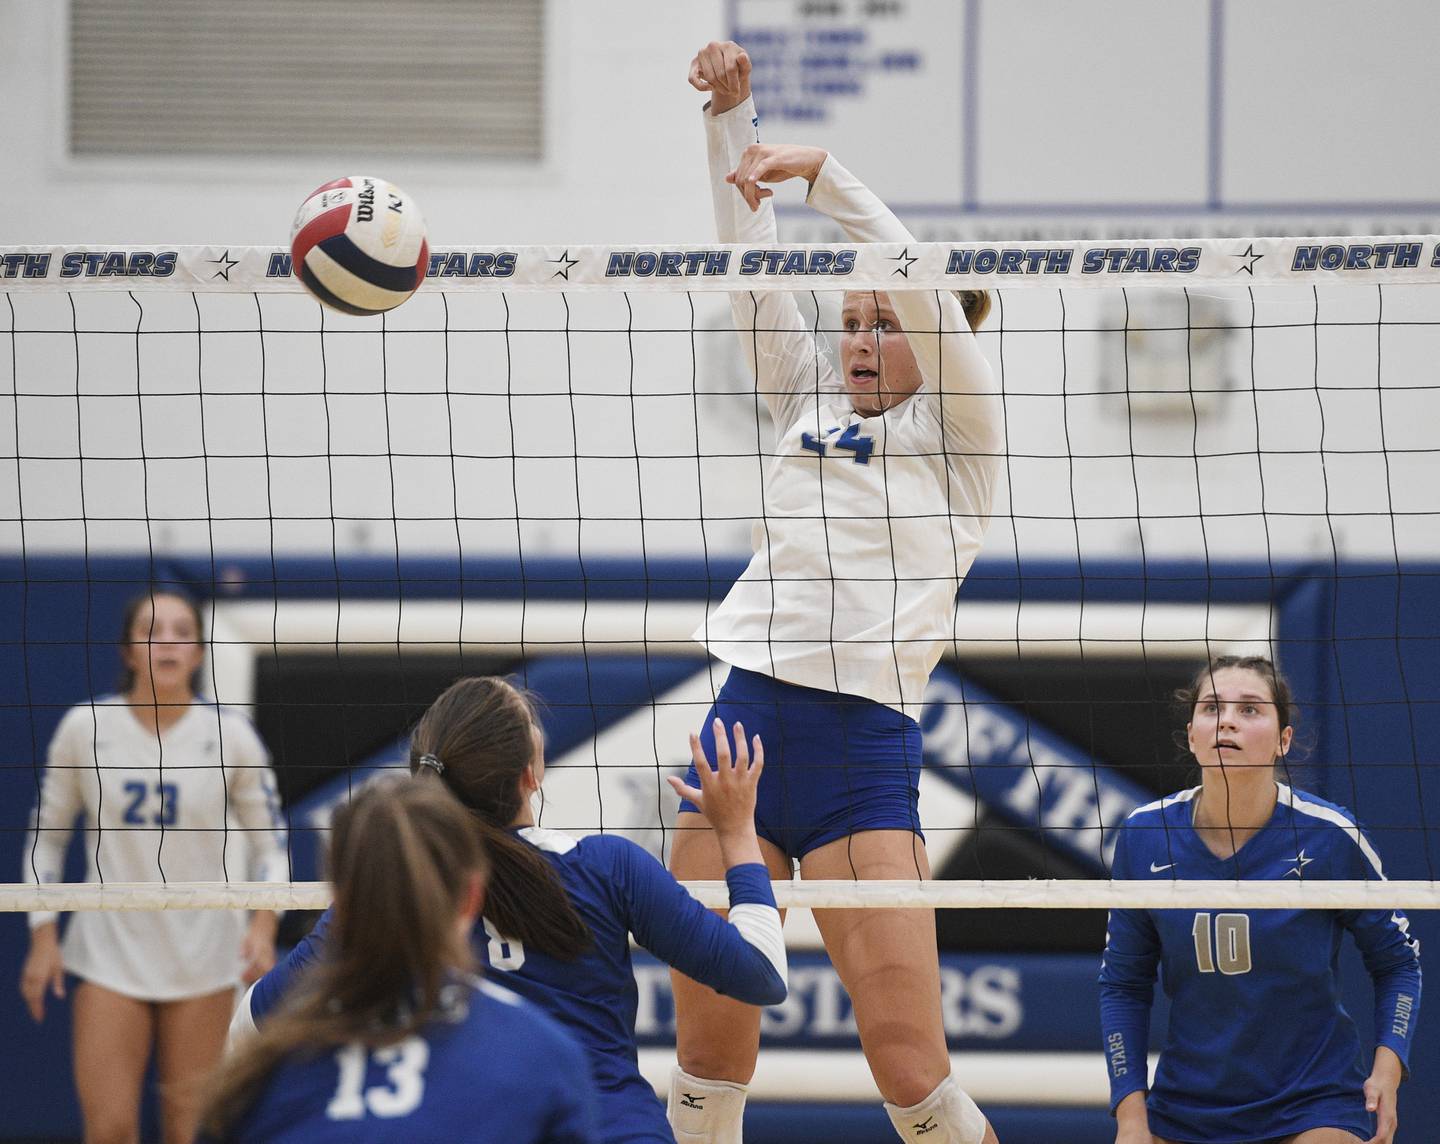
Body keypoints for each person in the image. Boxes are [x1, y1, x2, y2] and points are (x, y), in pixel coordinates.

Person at [668, 41, 1003, 1144]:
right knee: (711, 1057)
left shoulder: (960, 439)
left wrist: (830, 178)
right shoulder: (810, 399)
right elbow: (749, 276)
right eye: (851, 320)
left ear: (933, 338)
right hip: (743, 729)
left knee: (910, 1067)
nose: (859, 339)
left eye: (883, 323)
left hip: (863, 757)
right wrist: (735, 123)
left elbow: (911, 277)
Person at [232, 675, 787, 1144]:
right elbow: (760, 976)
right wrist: (737, 831)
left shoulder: (403, 888)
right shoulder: (607, 867)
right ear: (530, 775)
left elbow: (248, 1026)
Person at [1100, 654, 1422, 1144]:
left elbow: (1399, 963)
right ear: (1192, 735)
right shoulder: (1144, 835)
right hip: (1186, 1108)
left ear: (1283, 740)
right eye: (1212, 708)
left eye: (1249, 709)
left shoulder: (1330, 836)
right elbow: (1123, 984)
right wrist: (1130, 1114)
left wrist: (1388, 1070)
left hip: (1313, 1103)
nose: (1227, 719)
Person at [20, 588, 287, 1144]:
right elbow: (46, 840)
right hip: (108, 948)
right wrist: (42, 934)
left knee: (188, 1129)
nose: (165, 641)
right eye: (150, 629)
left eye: (181, 630)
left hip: (205, 954)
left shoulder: (232, 738)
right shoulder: (85, 727)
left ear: (198, 652)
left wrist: (263, 928)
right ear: (127, 651)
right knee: (112, 1127)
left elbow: (272, 847)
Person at [198, 779, 600, 1142]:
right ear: (472, 898)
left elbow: (246, 1025)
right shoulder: (543, 1058)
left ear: (340, 904)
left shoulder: (255, 1080)